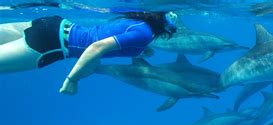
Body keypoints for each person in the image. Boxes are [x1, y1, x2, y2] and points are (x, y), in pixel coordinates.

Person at [0, 11, 178, 95]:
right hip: (52, 43)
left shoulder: (137, 21)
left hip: (53, 24)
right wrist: (72, 79)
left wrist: (140, 50)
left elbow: (109, 36)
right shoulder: (145, 34)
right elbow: (96, 47)